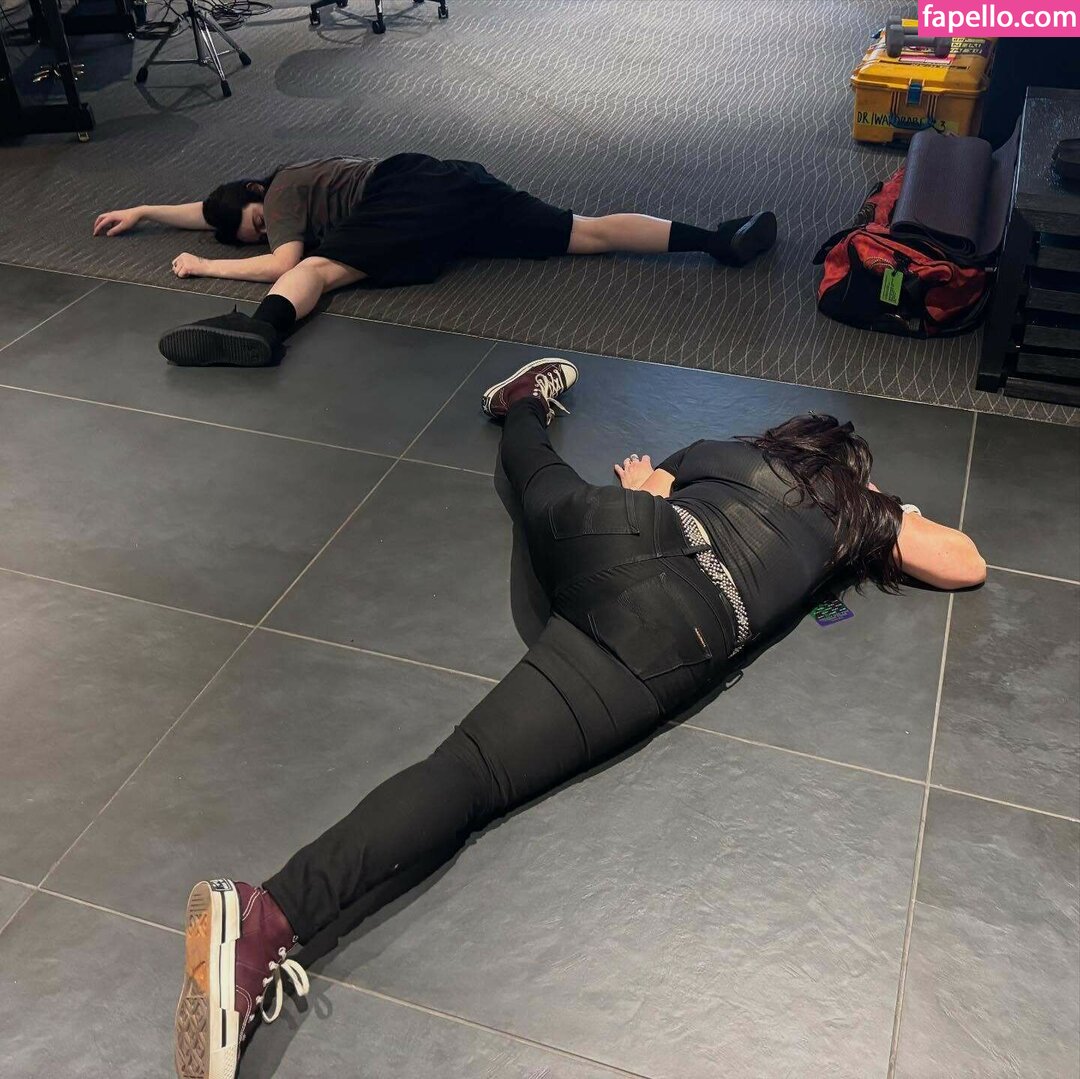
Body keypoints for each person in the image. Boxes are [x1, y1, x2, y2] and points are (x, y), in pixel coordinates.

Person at [172, 358, 986, 1079]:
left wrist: (650, 493)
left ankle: (522, 404)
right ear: (849, 472)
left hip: (623, 533)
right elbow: (966, 563)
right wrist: (882, 508)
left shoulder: (722, 452)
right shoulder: (852, 511)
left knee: (538, 482)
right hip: (673, 632)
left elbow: (653, 487)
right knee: (469, 776)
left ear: (783, 438)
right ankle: (268, 912)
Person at [91, 154, 778, 368]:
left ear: (256, 190)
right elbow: (211, 211)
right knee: (586, 232)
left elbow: (285, 262)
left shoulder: (285, 188)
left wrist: (206, 267)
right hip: (454, 191)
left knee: (316, 271)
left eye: (259, 221)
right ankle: (716, 239)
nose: (269, 229)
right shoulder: (260, 196)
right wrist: (146, 211)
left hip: (404, 192)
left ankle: (262, 331)